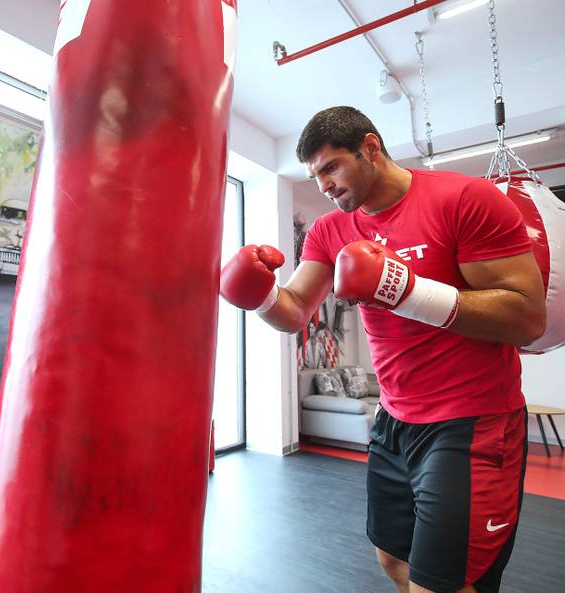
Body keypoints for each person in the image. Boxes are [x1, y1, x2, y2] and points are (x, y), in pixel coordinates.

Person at [220, 106, 546, 593]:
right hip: (393, 421)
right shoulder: (331, 230)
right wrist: (259, 294)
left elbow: (527, 318)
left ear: (370, 147)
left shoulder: (463, 198)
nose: (324, 185)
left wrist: (409, 291)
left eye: (332, 167)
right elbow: (293, 314)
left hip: (471, 421)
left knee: (445, 583)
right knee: (394, 559)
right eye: (316, 175)